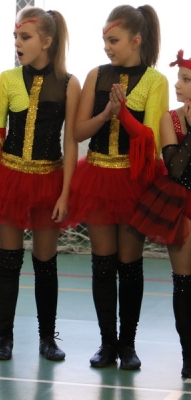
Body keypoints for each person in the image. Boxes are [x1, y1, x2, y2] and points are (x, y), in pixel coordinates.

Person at [67, 5, 168, 370]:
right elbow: (78, 132)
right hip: (97, 177)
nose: (107, 47)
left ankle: (128, 344)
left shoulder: (155, 81)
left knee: (130, 264)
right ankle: (107, 342)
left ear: (136, 40)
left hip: (134, 181)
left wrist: (123, 112)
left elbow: (152, 141)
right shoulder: (96, 75)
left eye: (114, 40)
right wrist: (106, 113)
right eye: (105, 40)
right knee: (102, 264)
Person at [0, 7, 80, 362]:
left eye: (25, 37)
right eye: (16, 37)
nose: (18, 43)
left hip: (48, 181)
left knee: (45, 264)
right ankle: (4, 337)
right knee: (8, 261)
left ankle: (47, 338)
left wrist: (65, 192)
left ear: (47, 41)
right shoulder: (8, 79)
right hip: (10, 178)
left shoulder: (69, 83)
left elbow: (71, 141)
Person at [130, 50, 191, 378]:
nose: (178, 85)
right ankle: (189, 356)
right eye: (179, 78)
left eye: (186, 80)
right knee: (184, 283)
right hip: (182, 205)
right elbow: (177, 168)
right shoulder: (171, 119)